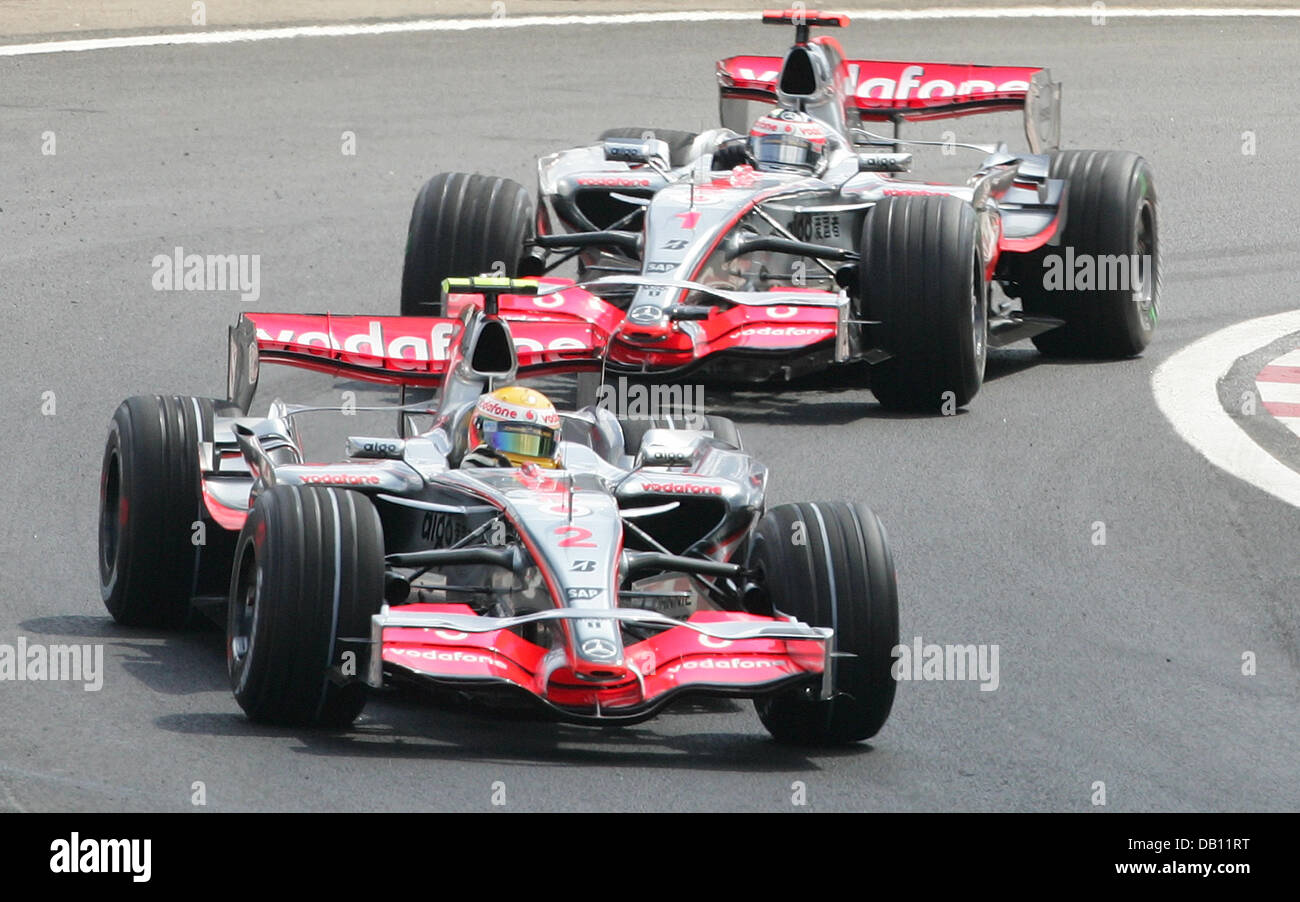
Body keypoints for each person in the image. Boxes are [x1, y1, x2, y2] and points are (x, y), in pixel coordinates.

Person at [460, 385, 563, 469]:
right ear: (479, 432)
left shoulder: (565, 484)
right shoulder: (459, 481)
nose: (526, 463)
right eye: (510, 441)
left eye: (536, 445)